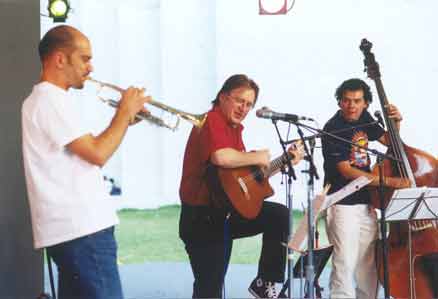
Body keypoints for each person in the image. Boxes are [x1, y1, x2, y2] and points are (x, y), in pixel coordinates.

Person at [22, 25, 150, 299]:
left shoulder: (47, 100)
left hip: (74, 231)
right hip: (82, 231)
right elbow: (98, 153)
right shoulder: (50, 99)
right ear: (59, 59)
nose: (90, 68)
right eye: (84, 58)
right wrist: (124, 112)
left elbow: (90, 152)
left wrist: (125, 120)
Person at [178, 74, 304, 299]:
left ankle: (265, 282)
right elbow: (221, 158)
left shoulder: (234, 128)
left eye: (249, 104)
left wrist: (283, 162)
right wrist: (257, 155)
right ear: (223, 97)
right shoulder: (212, 120)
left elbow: (241, 180)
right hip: (202, 218)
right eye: (239, 101)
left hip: (225, 211)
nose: (244, 108)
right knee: (210, 288)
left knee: (278, 215)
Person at [321, 78, 411, 299]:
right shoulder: (333, 128)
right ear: (339, 102)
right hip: (342, 204)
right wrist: (390, 182)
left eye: (357, 101)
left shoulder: (365, 118)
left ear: (366, 103)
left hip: (366, 202)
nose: (351, 105)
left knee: (368, 267)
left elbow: (390, 142)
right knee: (344, 264)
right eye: (346, 101)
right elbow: (347, 171)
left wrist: (396, 122)